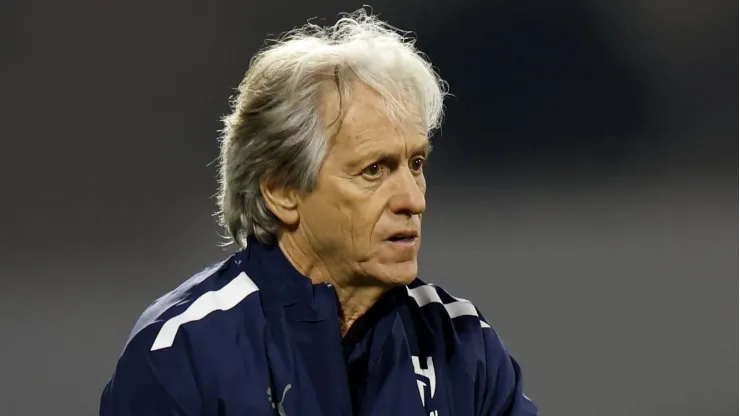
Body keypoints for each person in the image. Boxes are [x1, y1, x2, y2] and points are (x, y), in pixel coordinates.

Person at [99, 9, 539, 416]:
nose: (413, 199)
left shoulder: (463, 343)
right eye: (374, 170)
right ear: (282, 190)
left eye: (416, 164)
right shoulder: (181, 354)